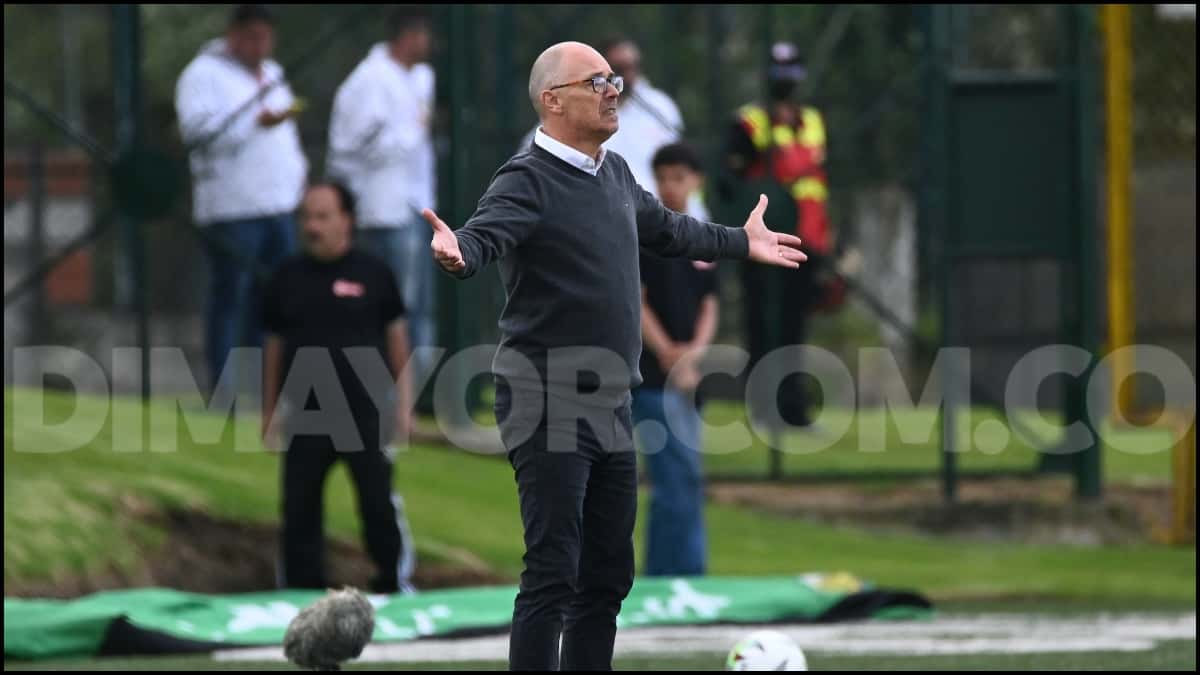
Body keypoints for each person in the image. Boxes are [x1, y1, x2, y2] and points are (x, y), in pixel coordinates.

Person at [421, 41, 808, 670]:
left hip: (611, 401)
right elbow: (481, 237)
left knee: (606, 578)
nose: (612, 90)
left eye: (614, 80)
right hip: (547, 394)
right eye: (596, 80)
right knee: (553, 571)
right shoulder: (526, 177)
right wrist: (458, 250)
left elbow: (673, 231)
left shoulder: (617, 174)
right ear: (553, 100)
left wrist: (741, 240)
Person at [261, 182, 417, 595]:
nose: (312, 226)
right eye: (306, 217)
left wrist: (403, 406)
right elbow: (274, 348)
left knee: (377, 503)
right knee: (299, 507)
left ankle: (391, 582)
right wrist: (270, 411)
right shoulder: (286, 277)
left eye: (322, 216)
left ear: (346, 220)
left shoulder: (374, 274)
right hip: (306, 413)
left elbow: (398, 341)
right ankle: (301, 590)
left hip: (365, 413)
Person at [175, 4, 308, 398]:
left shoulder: (274, 74)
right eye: (252, 36)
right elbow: (196, 133)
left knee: (271, 302)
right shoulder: (203, 75)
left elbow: (286, 139)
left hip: (279, 207)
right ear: (233, 35)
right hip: (232, 209)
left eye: (266, 36)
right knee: (229, 298)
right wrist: (253, 122)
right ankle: (224, 390)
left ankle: (260, 389)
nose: (260, 44)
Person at [722, 41, 834, 428]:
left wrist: (826, 236)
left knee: (794, 327)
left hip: (807, 241)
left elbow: (819, 183)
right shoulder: (749, 123)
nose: (785, 81)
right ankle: (765, 408)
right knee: (761, 324)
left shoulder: (814, 121)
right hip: (764, 243)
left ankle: (795, 410)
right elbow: (731, 183)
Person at [327, 8, 438, 388]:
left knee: (421, 307)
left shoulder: (421, 77)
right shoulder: (368, 81)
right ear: (407, 36)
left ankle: (414, 393)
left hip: (417, 205)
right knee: (394, 306)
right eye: (423, 34)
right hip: (383, 209)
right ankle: (385, 388)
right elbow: (351, 147)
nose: (428, 43)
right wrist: (411, 132)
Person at [633, 142, 719, 577]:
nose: (670, 186)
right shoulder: (647, 236)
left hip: (687, 378)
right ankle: (676, 577)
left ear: (696, 181)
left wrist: (696, 354)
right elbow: (638, 301)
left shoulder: (702, 237)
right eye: (663, 177)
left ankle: (675, 575)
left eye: (678, 178)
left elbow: (710, 304)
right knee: (674, 478)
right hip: (652, 377)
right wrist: (667, 351)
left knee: (683, 480)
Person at [517, 37, 709, 219]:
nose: (628, 76)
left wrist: (695, 221)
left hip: (657, 226)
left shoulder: (661, 107)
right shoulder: (567, 123)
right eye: (619, 69)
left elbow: (683, 171)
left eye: (633, 66)